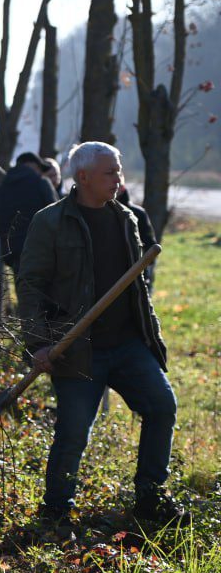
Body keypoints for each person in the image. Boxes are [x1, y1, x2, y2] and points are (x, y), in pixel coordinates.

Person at [17, 142, 185, 535]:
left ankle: (150, 497)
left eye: (119, 170)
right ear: (83, 177)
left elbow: (138, 288)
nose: (119, 179)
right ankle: (56, 512)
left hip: (128, 344)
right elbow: (30, 285)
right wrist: (37, 342)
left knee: (162, 407)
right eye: (110, 173)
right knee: (73, 432)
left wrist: (149, 335)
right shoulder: (51, 222)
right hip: (77, 348)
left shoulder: (127, 218)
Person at [0, 152, 59, 271]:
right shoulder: (41, 183)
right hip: (41, 249)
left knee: (23, 286)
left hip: (12, 251)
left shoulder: (3, 187)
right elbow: (56, 215)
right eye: (40, 168)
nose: (41, 172)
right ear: (34, 166)